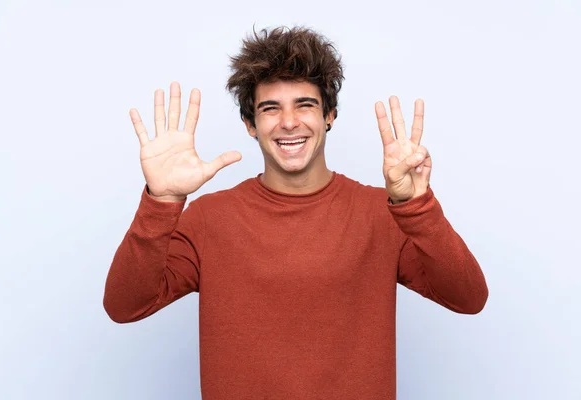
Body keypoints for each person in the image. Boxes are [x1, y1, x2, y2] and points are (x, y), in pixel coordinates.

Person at [103, 25, 488, 399]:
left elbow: (468, 297)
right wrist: (162, 200)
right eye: (270, 109)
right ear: (250, 125)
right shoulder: (209, 219)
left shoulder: (383, 214)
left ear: (329, 116)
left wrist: (415, 207)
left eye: (305, 104)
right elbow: (125, 305)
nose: (289, 122)